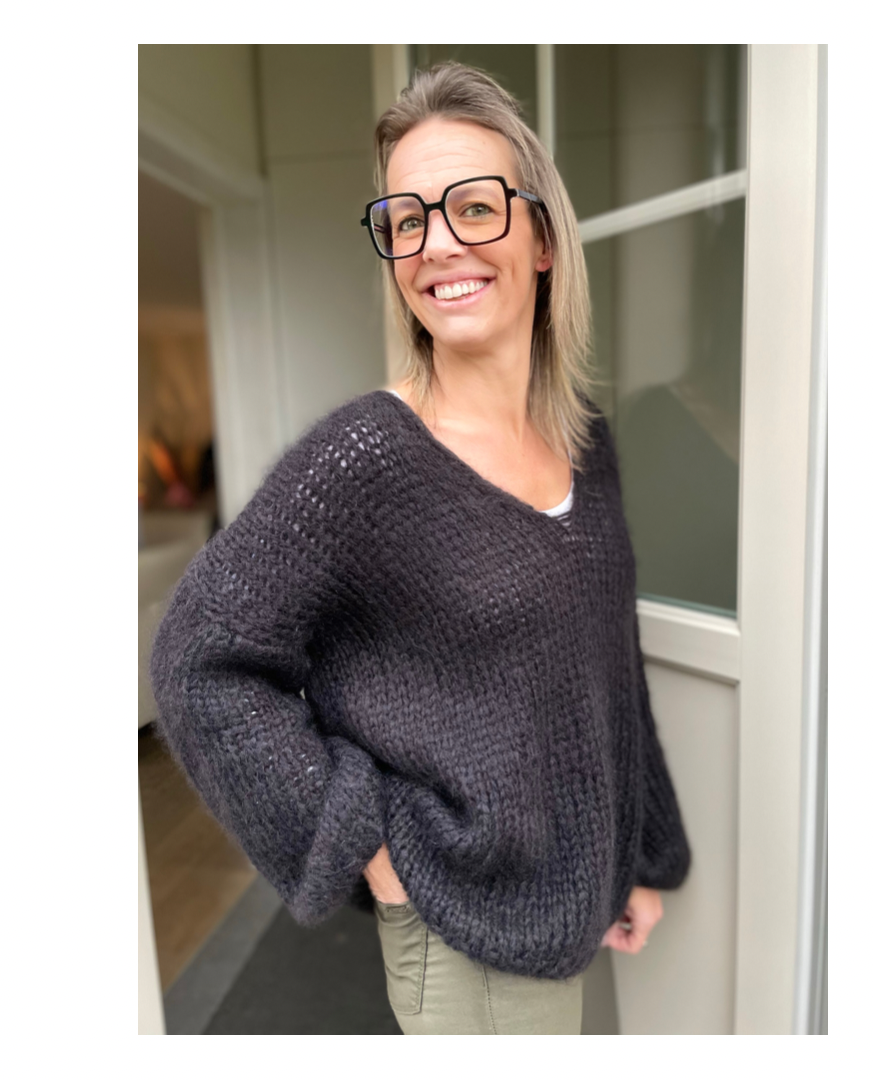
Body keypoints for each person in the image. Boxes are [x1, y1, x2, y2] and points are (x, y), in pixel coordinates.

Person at [150, 61, 690, 1036]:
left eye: (474, 207)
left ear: (541, 239)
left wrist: (639, 856)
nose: (438, 243)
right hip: (464, 941)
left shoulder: (584, 443)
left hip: (567, 904)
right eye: (406, 220)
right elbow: (199, 662)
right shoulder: (365, 459)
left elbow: (611, 668)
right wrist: (372, 847)